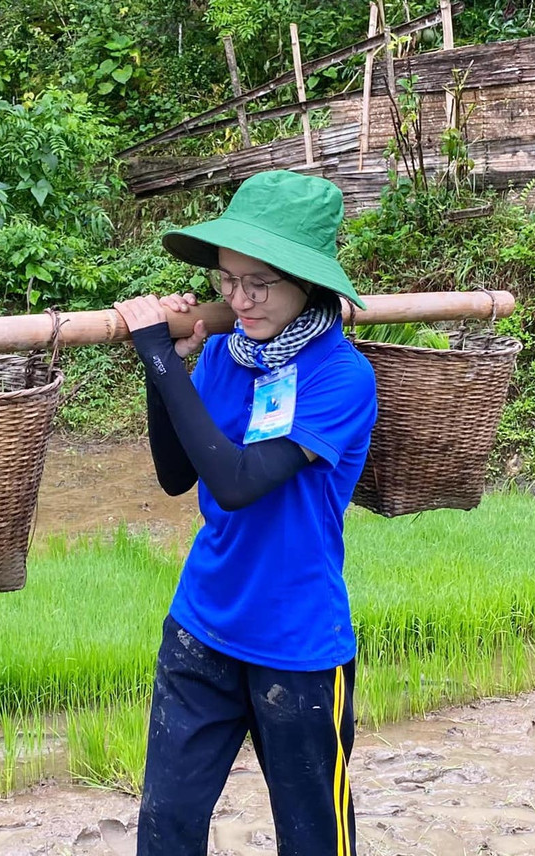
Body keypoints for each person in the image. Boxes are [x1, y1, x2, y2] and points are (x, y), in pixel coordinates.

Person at [111, 169, 378, 856]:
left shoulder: (339, 375)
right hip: (201, 627)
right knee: (165, 829)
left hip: (297, 644)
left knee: (315, 837)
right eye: (229, 281)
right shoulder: (229, 357)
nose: (241, 298)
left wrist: (162, 366)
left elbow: (236, 482)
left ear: (308, 283)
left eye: (260, 283)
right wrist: (162, 368)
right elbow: (179, 475)